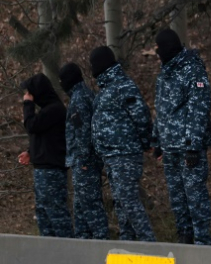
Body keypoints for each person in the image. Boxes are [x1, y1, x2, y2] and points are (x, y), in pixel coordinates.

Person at [151, 29, 211, 245]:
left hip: (188, 148)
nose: (156, 52)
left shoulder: (192, 70)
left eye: (159, 47)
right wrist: (157, 141)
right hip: (170, 147)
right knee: (177, 198)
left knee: (195, 197)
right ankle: (184, 238)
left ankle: (202, 242)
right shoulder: (164, 73)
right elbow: (161, 109)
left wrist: (193, 145)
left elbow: (199, 109)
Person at [90, 46, 156, 242]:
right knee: (120, 202)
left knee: (128, 200)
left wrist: (146, 142)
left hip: (125, 154)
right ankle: (127, 242)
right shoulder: (105, 90)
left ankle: (149, 243)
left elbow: (141, 116)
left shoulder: (123, 86)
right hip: (111, 156)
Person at [59, 63, 109, 240]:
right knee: (80, 209)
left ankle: (102, 245)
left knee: (90, 206)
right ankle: (82, 248)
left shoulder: (79, 99)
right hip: (83, 160)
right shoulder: (85, 94)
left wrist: (83, 159)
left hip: (84, 162)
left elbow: (83, 132)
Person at [19, 73, 73, 238]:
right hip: (43, 169)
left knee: (56, 213)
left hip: (51, 171)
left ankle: (67, 251)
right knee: (43, 213)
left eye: (31, 93)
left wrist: (27, 105)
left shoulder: (54, 109)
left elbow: (32, 125)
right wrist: (30, 152)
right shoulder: (48, 111)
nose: (28, 96)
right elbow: (45, 136)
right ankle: (49, 252)